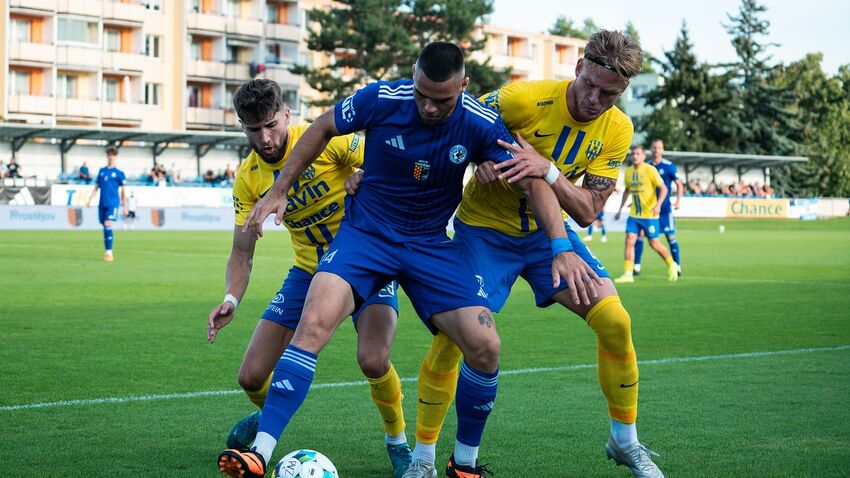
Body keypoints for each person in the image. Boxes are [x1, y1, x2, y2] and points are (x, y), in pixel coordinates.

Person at [225, 42, 586, 478]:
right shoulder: (381, 98)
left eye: (442, 100)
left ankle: (465, 464)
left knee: (486, 346)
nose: (429, 108)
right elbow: (322, 127)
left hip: (430, 244)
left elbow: (531, 179)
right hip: (366, 237)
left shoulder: (481, 121)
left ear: (464, 86)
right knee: (313, 325)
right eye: (421, 95)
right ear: (413, 77)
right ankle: (260, 453)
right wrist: (280, 189)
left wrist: (560, 245)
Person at [398, 30, 666, 478]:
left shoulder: (619, 129)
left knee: (616, 320)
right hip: (483, 232)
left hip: (548, 236)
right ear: (578, 67)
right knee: (453, 338)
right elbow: (457, 120)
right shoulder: (521, 99)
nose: (595, 100)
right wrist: (479, 157)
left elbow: (587, 211)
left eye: (610, 94)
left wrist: (550, 171)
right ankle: (423, 458)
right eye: (590, 85)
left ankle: (625, 441)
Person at [208, 79, 415, 478]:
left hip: (367, 263)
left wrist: (364, 175)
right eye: (253, 130)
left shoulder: (327, 139)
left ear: (287, 115)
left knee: (374, 360)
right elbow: (241, 253)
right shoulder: (249, 178)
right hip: (308, 271)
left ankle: (398, 442)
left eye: (271, 125)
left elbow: (388, 158)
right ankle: (269, 418)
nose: (265, 139)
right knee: (251, 377)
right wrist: (231, 299)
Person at [614, 145, 678, 283]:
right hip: (634, 215)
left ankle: (672, 264)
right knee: (629, 241)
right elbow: (627, 191)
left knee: (654, 244)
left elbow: (664, 189)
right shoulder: (628, 171)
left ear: (643, 156)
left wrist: (658, 205)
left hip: (649, 215)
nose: (635, 156)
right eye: (633, 154)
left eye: (638, 154)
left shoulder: (650, 170)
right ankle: (628, 274)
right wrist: (620, 209)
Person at [633, 139, 682, 276]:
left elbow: (679, 185)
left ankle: (677, 266)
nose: (656, 150)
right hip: (648, 210)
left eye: (659, 147)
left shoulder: (669, 166)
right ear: (651, 149)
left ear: (663, 150)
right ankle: (636, 266)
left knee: (670, 237)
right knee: (640, 235)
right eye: (654, 147)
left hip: (664, 210)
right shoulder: (645, 166)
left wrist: (678, 201)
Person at [86, 147, 127, 262]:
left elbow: (124, 191)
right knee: (104, 226)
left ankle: (109, 252)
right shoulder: (102, 171)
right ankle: (107, 250)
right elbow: (97, 186)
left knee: (108, 223)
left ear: (116, 157)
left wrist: (125, 206)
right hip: (102, 203)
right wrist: (90, 199)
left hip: (113, 203)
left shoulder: (119, 173)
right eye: (109, 155)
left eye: (112, 155)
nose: (110, 157)